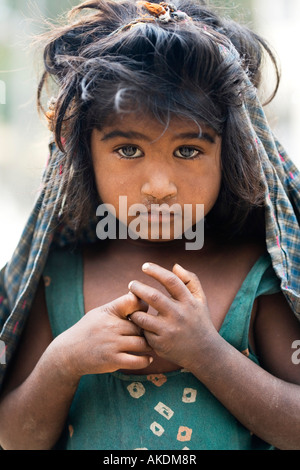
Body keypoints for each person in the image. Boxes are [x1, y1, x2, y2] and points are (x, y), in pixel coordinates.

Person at [0, 0, 299, 451]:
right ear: (83, 156)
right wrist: (62, 362)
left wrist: (206, 351)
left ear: (231, 156)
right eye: (128, 150)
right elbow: (15, 439)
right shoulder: (56, 276)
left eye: (187, 151)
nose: (159, 187)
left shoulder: (255, 273)